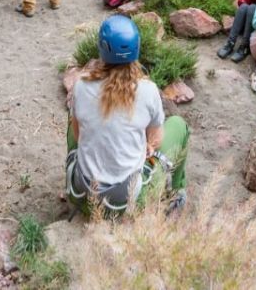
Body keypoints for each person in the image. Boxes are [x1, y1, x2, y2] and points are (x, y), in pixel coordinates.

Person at [66, 15, 189, 217]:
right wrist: (147, 147)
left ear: (102, 47)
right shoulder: (148, 90)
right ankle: (175, 193)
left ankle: (75, 189)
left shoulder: (81, 86)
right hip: (125, 200)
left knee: (73, 119)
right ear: (137, 48)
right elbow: (156, 139)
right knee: (178, 124)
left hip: (84, 192)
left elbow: (79, 136)